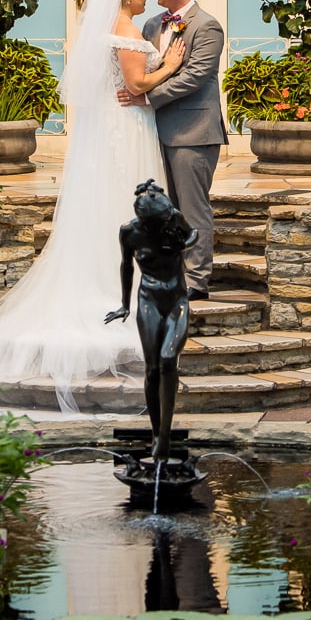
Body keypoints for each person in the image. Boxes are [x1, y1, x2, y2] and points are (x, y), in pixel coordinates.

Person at [0, 0, 186, 411]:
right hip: (127, 127)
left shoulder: (117, 27)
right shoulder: (123, 30)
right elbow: (136, 84)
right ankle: (126, 286)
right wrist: (170, 66)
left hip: (121, 126)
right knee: (124, 196)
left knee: (112, 200)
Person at [119, 0, 227, 300]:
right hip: (155, 132)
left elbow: (195, 77)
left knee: (192, 208)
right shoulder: (151, 25)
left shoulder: (207, 26)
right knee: (166, 211)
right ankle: (173, 273)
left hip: (193, 131)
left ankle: (197, 280)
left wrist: (148, 99)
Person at [105, 179, 197, 462]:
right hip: (149, 299)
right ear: (145, 223)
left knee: (169, 358)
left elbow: (193, 234)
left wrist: (182, 247)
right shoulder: (129, 232)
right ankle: (157, 433)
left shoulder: (173, 217)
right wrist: (124, 304)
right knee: (153, 368)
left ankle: (166, 435)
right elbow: (126, 267)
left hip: (177, 300)